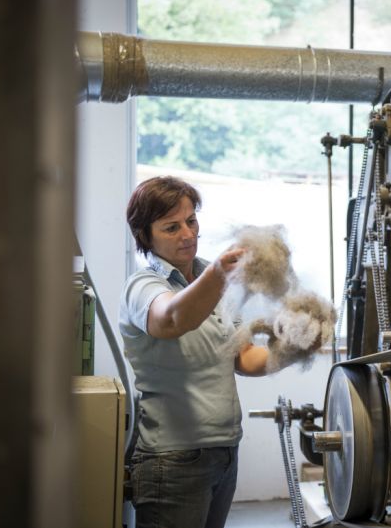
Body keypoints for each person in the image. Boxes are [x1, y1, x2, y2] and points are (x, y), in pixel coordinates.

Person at [119, 175, 270, 528]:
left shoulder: (211, 282)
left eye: (191, 221)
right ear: (146, 235)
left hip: (224, 454)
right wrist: (218, 274)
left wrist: (293, 348)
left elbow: (244, 357)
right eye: (171, 227)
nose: (187, 235)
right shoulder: (143, 286)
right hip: (172, 462)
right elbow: (171, 319)